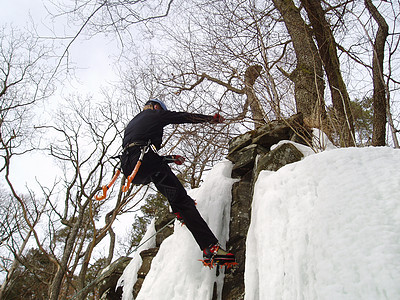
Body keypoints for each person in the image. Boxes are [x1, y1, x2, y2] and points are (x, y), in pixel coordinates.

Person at [121, 99, 235, 266]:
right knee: (182, 201)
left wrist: (170, 159)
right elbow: (183, 116)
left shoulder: (133, 123)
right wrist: (209, 119)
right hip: (145, 160)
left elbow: (141, 149)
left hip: (130, 167)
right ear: (156, 107)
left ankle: (181, 213)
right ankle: (210, 248)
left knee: (166, 185)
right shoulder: (155, 114)